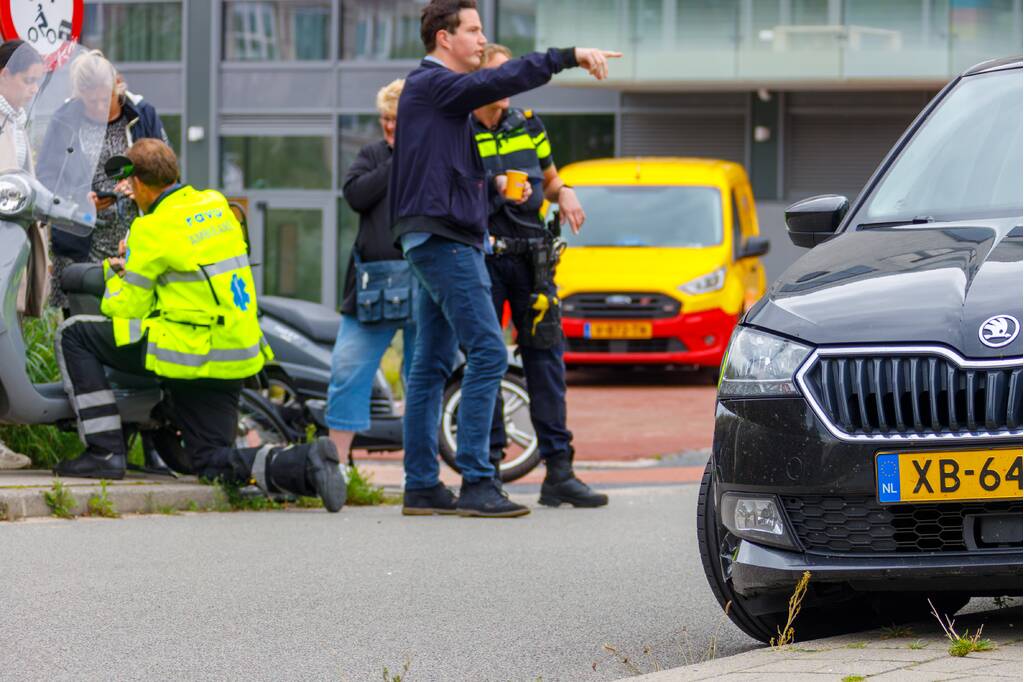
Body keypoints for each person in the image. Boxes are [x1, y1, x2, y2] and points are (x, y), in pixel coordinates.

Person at [391, 0, 619, 517]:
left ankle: (422, 485)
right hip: (446, 239)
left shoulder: (435, 97)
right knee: (490, 353)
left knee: (429, 365)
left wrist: (491, 185)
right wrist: (568, 55)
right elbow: (497, 80)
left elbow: (447, 168)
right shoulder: (435, 84)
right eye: (472, 30)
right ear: (444, 39)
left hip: (433, 234)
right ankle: (477, 481)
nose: (480, 38)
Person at [51, 139, 346, 512]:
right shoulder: (217, 205)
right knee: (211, 460)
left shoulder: (152, 229)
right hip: (237, 350)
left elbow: (129, 306)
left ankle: (104, 452)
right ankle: (307, 462)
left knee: (75, 334)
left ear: (139, 184)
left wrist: (112, 276)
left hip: (191, 353)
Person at [471, 43, 607, 508]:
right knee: (485, 361)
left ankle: (560, 472)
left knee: (546, 364)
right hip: (484, 258)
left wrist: (564, 191)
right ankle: (486, 473)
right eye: (499, 75)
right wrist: (495, 190)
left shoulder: (528, 122)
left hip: (534, 260)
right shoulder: (459, 127)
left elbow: (549, 178)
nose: (509, 84)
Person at [326, 79, 417, 457]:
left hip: (424, 280)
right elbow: (356, 195)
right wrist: (400, 160)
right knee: (347, 370)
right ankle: (335, 464)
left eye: (398, 119)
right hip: (372, 284)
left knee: (424, 376)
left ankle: (421, 468)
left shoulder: (433, 156)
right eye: (385, 119)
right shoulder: (372, 154)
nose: (390, 126)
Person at [40, 49, 168, 314]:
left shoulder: (143, 114)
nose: (99, 107)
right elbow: (46, 180)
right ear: (79, 96)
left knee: (133, 325)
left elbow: (167, 172)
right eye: (91, 101)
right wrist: (79, 201)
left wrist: (137, 186)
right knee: (82, 325)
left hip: (134, 242)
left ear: (117, 86)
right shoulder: (64, 119)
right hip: (78, 246)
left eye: (105, 99)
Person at [0, 40, 44, 470]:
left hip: (11, 246)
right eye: (28, 80)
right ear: (4, 75)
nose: (34, 88)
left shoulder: (17, 119)